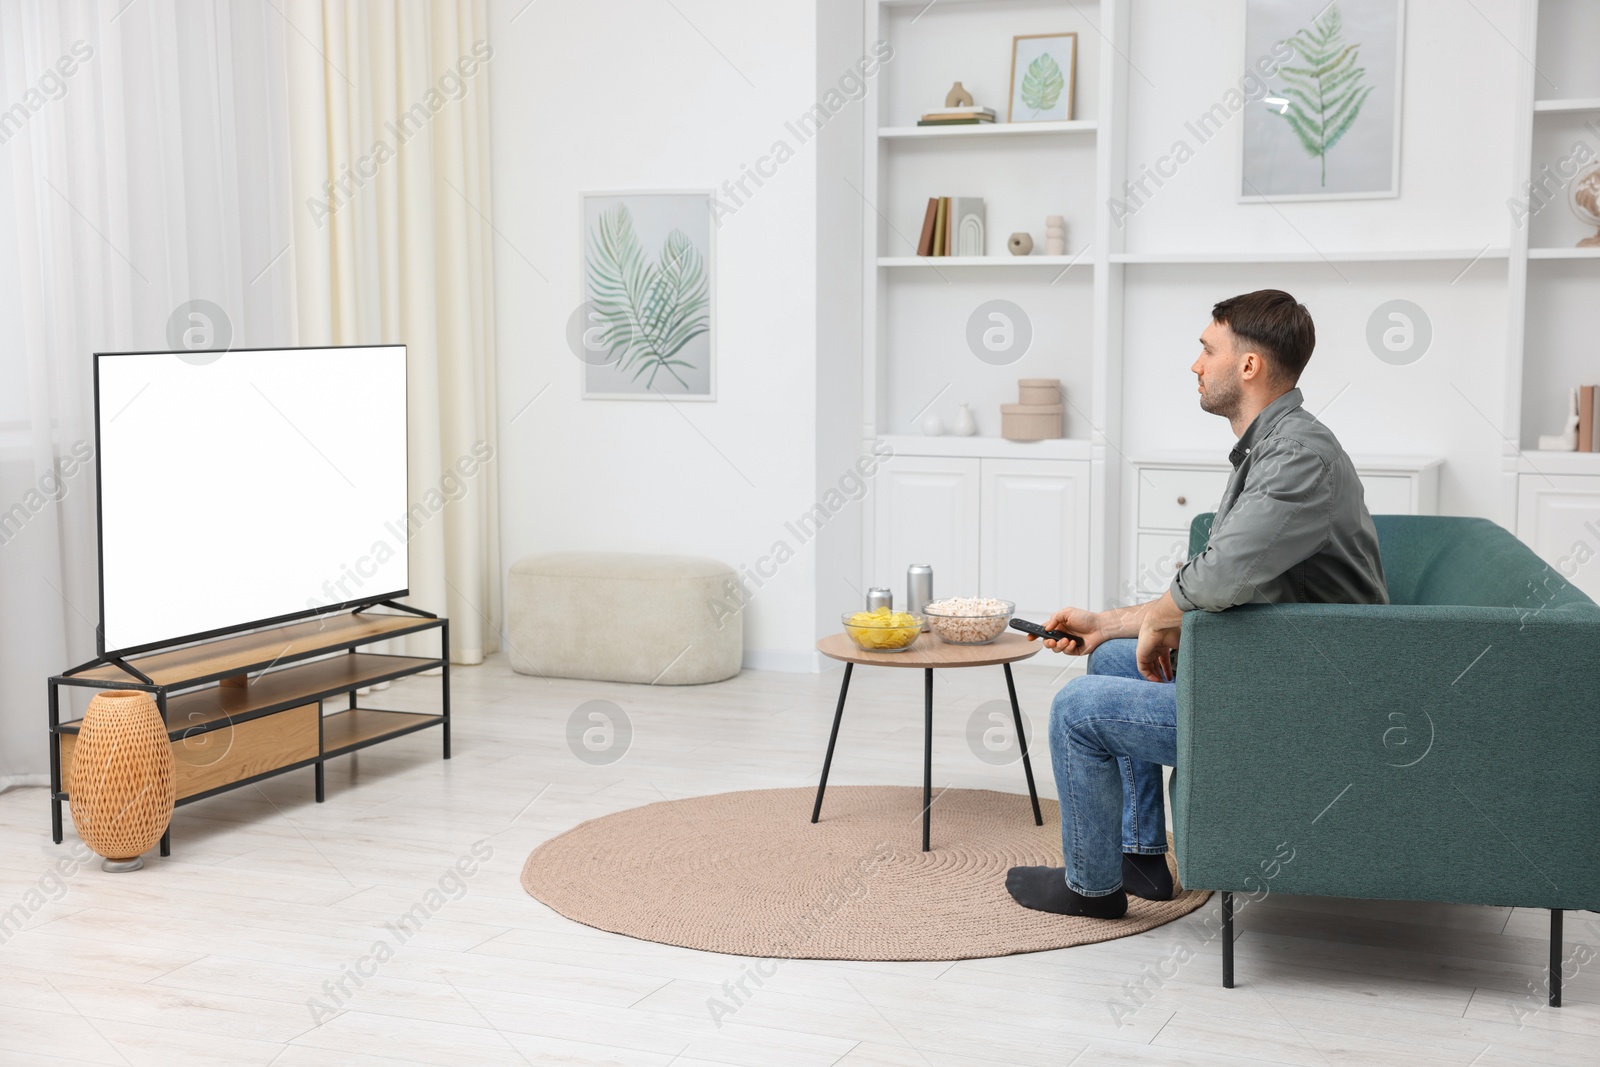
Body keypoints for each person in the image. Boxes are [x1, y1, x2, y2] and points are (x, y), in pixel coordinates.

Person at [1005, 289, 1389, 919]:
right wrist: (1107, 626)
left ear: (1249, 367)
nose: (1195, 365)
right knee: (1109, 663)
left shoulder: (1297, 457)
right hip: (1282, 668)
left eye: (1207, 350)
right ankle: (1139, 858)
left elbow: (1215, 582)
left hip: (1312, 707)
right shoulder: (1277, 444)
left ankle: (1091, 890)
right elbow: (1225, 580)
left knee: (1077, 710)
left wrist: (1158, 620)